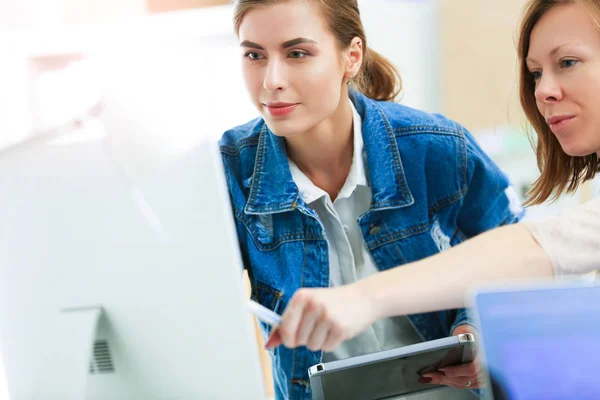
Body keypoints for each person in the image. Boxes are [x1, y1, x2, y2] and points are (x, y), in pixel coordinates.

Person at [268, 0, 600, 390]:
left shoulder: (437, 145)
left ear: (351, 56)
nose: (543, 90)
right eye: (535, 73)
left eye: (568, 62)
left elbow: (538, 249)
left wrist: (363, 298)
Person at [219, 0, 522, 398]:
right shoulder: (228, 172)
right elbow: (191, 297)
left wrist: (476, 328)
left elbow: (514, 253)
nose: (271, 80)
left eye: (297, 53)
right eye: (254, 55)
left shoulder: (437, 148)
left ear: (352, 57)